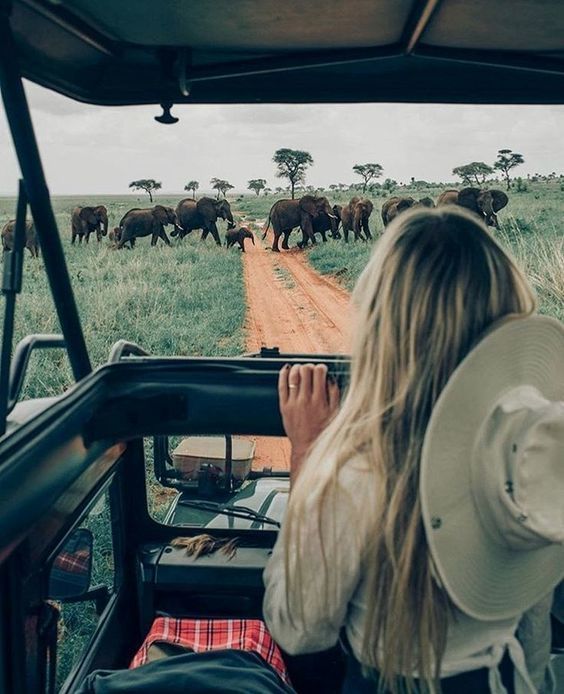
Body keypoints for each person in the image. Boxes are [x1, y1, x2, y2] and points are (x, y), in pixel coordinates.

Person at [263, 206, 564, 693]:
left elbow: (300, 627)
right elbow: (532, 624)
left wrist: (308, 456)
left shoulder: (355, 470)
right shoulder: (531, 451)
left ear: (381, 329)